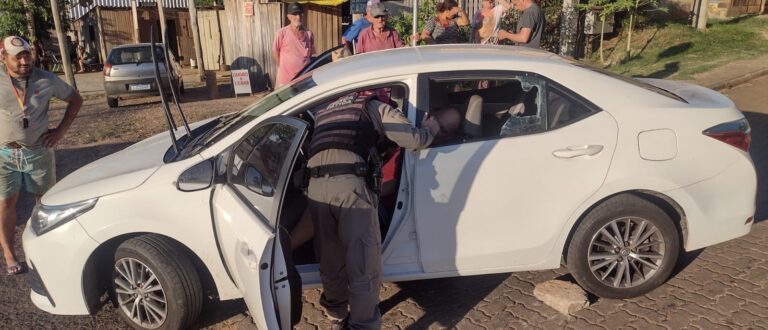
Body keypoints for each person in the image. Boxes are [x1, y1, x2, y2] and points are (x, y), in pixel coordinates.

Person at [306, 90, 440, 329]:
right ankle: (362, 324)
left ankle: (335, 311)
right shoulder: (375, 106)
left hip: (315, 188)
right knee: (363, 264)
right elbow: (412, 140)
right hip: (350, 188)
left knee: (330, 257)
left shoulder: (325, 110)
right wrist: (430, 130)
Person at [0, 36, 82, 275]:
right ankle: (9, 253)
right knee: (6, 203)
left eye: (27, 54)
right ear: (3, 58)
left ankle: (46, 249)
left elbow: (76, 100)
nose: (25, 60)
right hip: (5, 154)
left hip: (38, 152)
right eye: (19, 56)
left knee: (44, 203)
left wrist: (60, 131)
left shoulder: (46, 79)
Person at [272, 2, 315, 87]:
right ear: (288, 16)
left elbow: (311, 54)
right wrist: (283, 68)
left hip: (304, 79)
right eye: (295, 14)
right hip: (286, 81)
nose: (298, 17)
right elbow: (275, 51)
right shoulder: (281, 33)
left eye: (300, 14)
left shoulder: (309, 33)